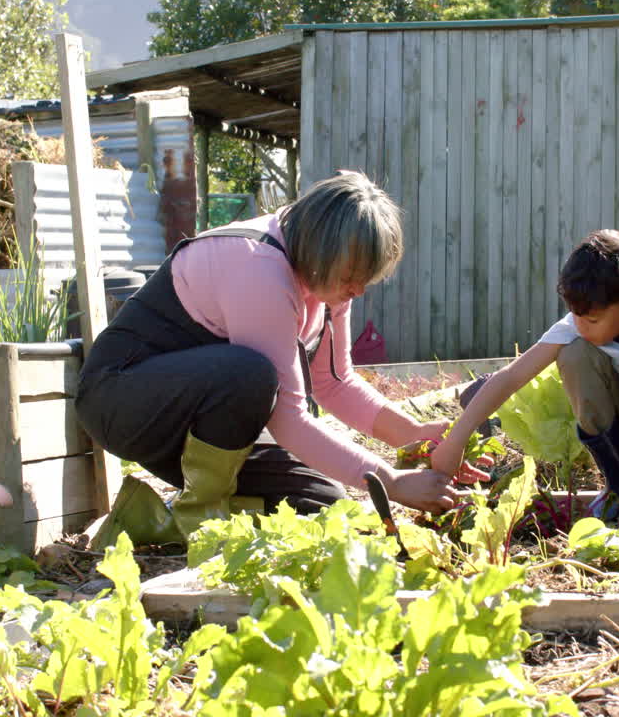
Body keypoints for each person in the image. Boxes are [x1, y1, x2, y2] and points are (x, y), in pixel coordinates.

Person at [77, 172, 476, 544]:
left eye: (367, 278)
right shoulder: (258, 266)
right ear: (321, 249)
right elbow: (288, 417)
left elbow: (335, 383)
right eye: (351, 276)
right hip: (124, 401)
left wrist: (414, 435)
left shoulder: (326, 278)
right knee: (249, 374)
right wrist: (389, 479)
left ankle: (145, 517)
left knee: (321, 503)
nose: (358, 290)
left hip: (205, 417)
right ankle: (196, 520)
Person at [431, 229, 619, 530]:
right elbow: (510, 378)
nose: (581, 325)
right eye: (575, 315)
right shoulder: (579, 324)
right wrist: (456, 439)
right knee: (574, 354)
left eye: (591, 320)